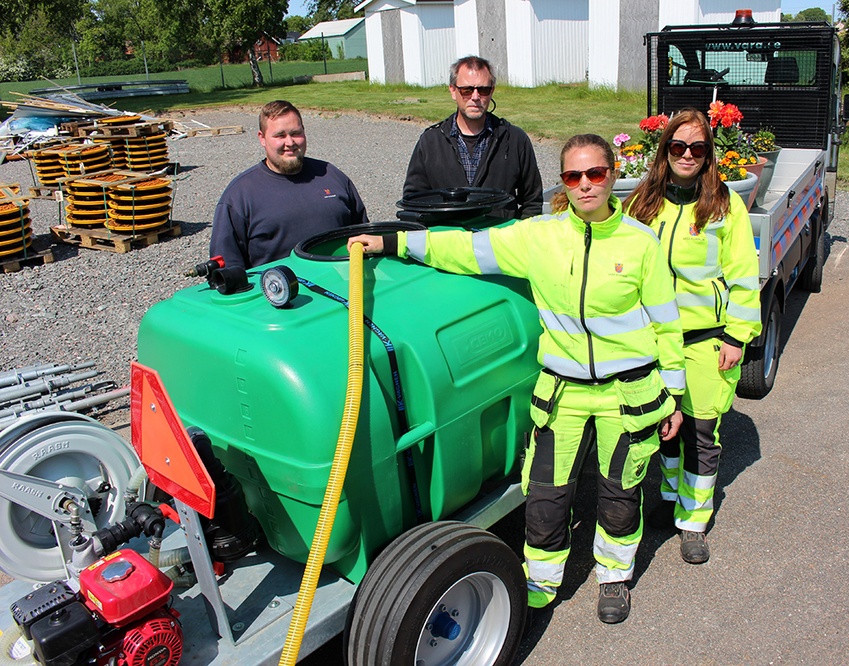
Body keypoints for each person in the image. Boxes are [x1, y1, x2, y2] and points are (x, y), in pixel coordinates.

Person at [351, 134, 685, 624]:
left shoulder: (641, 243)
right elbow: (465, 249)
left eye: (595, 173)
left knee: (619, 495)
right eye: (574, 176)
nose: (585, 184)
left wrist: (673, 394)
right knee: (546, 498)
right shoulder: (538, 237)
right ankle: (539, 584)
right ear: (564, 183)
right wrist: (393, 242)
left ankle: (614, 579)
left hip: (626, 394)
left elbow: (666, 322)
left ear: (613, 175)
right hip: (564, 393)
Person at [624, 108, 762, 565]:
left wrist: (737, 337)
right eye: (678, 146)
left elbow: (744, 277)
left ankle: (694, 520)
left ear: (708, 155)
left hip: (706, 340)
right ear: (664, 150)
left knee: (702, 432)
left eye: (697, 148)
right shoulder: (643, 202)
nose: (687, 155)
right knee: (665, 428)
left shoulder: (725, 206)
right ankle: (669, 498)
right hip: (654, 342)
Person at [209, 100, 369, 270]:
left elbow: (365, 239)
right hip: (281, 294)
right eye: (280, 136)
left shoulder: (332, 176)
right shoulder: (240, 195)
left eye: (295, 133)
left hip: (341, 287)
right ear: (262, 138)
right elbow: (228, 269)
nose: (290, 142)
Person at [402, 56, 543, 218]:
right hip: (448, 240)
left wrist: (517, 238)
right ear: (453, 91)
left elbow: (532, 201)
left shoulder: (515, 139)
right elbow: (413, 201)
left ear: (492, 91)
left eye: (483, 90)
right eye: (467, 90)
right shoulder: (431, 142)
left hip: (499, 240)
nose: (475, 97)